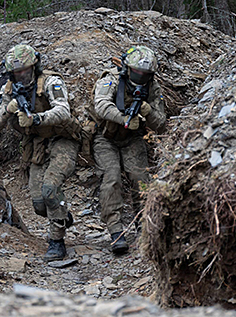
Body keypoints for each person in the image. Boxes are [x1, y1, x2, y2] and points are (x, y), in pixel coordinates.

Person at [0, 44, 82, 261]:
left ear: (34, 66)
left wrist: (37, 118)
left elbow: (63, 110)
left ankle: (56, 243)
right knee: (40, 204)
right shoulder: (9, 90)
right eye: (17, 72)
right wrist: (7, 109)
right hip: (36, 145)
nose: (21, 75)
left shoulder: (50, 82)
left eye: (25, 70)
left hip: (62, 139)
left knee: (50, 189)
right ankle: (61, 215)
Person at [92, 46, 166, 254]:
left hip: (133, 138)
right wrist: (124, 119)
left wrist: (147, 110)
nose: (140, 77)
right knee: (111, 178)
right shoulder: (112, 79)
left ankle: (144, 225)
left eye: (145, 75)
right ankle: (116, 231)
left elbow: (161, 123)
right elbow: (101, 105)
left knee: (140, 178)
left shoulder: (152, 87)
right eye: (137, 73)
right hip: (105, 137)